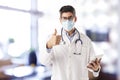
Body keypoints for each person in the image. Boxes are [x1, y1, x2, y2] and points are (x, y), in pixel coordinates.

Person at [40, 5, 101, 80]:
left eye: (70, 18)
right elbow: (44, 62)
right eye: (64, 18)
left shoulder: (86, 40)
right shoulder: (52, 38)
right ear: (60, 20)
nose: (67, 21)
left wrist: (96, 69)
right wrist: (49, 46)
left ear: (75, 19)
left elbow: (93, 68)